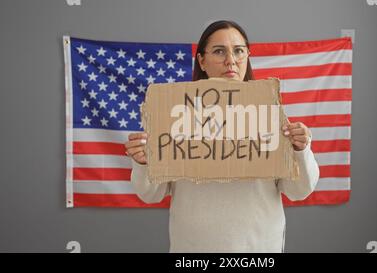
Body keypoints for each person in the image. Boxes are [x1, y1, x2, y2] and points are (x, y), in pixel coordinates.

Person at [125, 20, 320, 253]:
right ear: (202, 60)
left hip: (259, 250)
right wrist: (142, 162)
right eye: (219, 51)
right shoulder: (175, 114)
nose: (231, 60)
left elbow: (299, 190)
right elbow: (151, 194)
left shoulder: (269, 112)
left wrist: (301, 150)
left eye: (238, 51)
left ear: (247, 56)